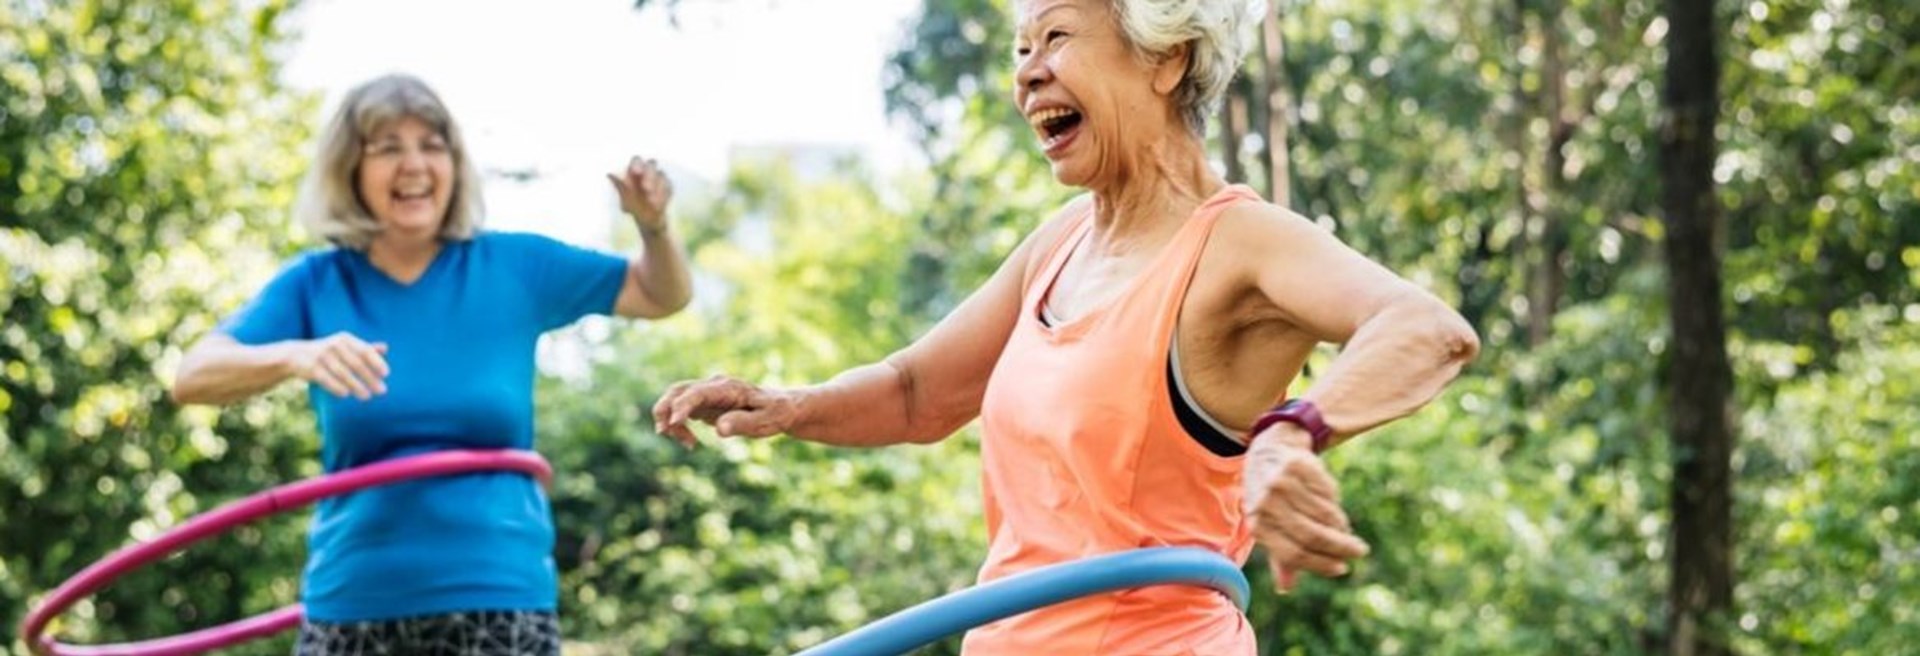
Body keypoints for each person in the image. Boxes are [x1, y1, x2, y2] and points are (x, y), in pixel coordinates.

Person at [651, 0, 1480, 653]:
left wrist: (1290, 434)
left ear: (1166, 58)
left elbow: (1425, 327)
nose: (1027, 73)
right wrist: (788, 405)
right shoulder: (1059, 245)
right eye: (1020, 50)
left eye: (1055, 37)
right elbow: (916, 393)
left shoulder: (1238, 242)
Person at [169, 73, 691, 656]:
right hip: (353, 600)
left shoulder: (513, 265)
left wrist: (654, 226)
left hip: (498, 598)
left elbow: (660, 294)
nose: (413, 164)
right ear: (351, 169)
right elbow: (192, 377)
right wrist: (295, 353)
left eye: (431, 145)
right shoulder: (316, 282)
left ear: (454, 163)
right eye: (387, 147)